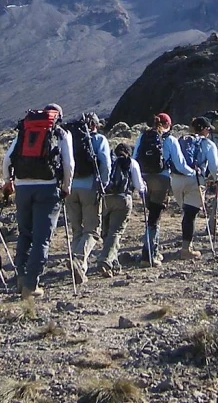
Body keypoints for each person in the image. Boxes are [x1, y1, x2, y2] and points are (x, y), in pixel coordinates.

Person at [1, 104, 74, 299]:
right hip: (48, 188)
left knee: (25, 233)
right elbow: (68, 164)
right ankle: (31, 285)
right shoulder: (60, 133)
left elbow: (7, 159)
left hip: (22, 187)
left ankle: (21, 276)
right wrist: (66, 187)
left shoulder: (24, 131)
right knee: (42, 238)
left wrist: (8, 181)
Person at [65, 112, 110, 284]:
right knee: (92, 231)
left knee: (77, 229)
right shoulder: (98, 140)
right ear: (94, 125)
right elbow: (105, 163)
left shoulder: (69, 138)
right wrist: (103, 185)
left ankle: (80, 269)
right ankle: (78, 258)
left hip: (69, 189)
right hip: (89, 187)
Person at [168, 116, 218, 259]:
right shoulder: (208, 144)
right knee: (190, 215)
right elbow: (214, 167)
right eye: (209, 129)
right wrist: (217, 178)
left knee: (185, 212)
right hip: (195, 180)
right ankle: (186, 249)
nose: (209, 132)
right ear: (204, 129)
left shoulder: (180, 140)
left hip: (176, 179)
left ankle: (186, 246)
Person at [94, 142, 145, 276]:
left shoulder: (109, 160)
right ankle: (105, 260)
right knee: (115, 232)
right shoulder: (131, 162)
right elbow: (139, 185)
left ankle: (113, 264)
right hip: (123, 199)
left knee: (106, 232)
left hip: (105, 199)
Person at [133, 113, 177, 266]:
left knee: (150, 215)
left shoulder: (142, 137)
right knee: (155, 218)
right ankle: (150, 254)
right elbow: (179, 163)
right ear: (167, 124)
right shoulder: (170, 139)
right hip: (161, 179)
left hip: (144, 179)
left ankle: (149, 251)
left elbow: (135, 158)